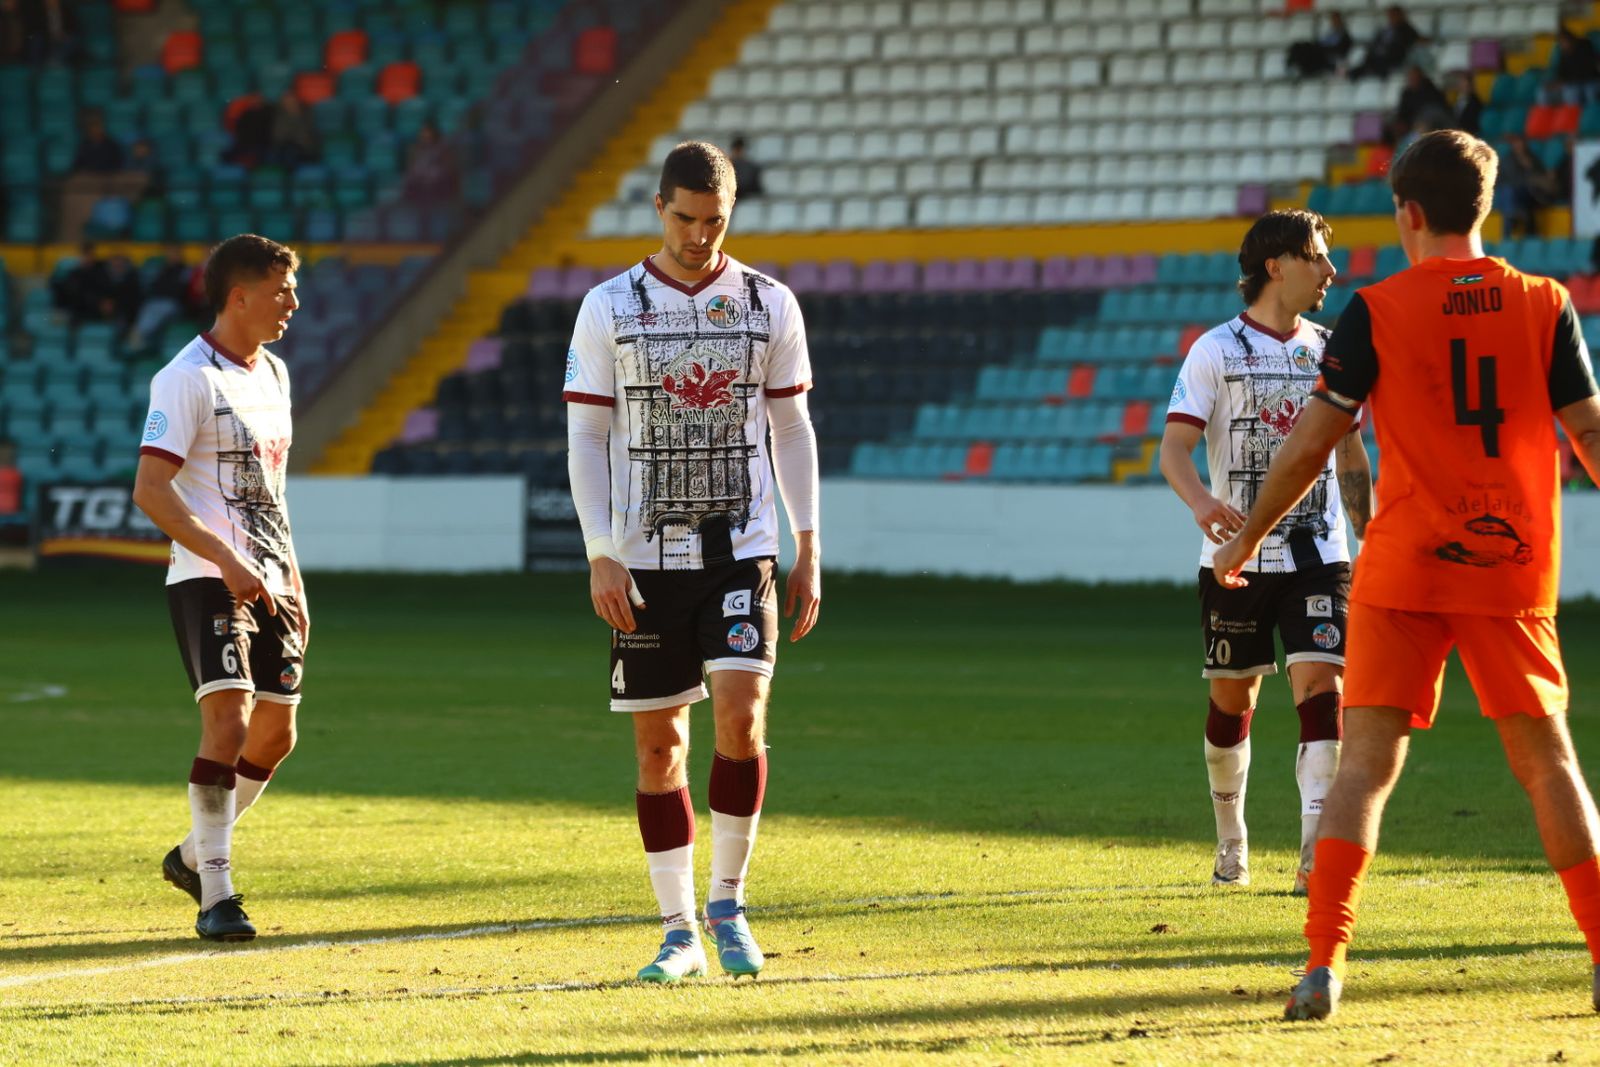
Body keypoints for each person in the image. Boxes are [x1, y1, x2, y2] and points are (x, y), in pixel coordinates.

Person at [1212, 129, 1600, 1020]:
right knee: (1548, 762)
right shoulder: (1544, 302)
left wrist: (1244, 540)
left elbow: (1312, 443)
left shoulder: (1377, 309)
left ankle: (1323, 962)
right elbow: (1588, 432)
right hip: (1510, 564)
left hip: (1405, 567)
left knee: (1364, 765)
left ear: (1409, 213)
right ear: (1484, 207)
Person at [564, 141, 820, 982]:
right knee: (658, 747)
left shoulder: (768, 301)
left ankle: (728, 904)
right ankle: (678, 932)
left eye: (715, 220)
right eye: (685, 218)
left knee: (742, 717)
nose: (700, 235)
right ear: (658, 209)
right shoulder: (608, 305)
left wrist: (808, 541)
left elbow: (791, 427)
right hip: (641, 559)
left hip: (741, 548)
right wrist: (600, 552)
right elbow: (586, 435)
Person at [1160, 210, 1372, 895]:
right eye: (1317, 257)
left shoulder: (1332, 350)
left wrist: (1368, 533)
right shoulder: (1214, 350)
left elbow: (1349, 452)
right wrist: (1202, 504)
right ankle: (1232, 840)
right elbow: (1173, 449)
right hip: (1235, 560)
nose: (1331, 271)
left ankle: (1313, 854)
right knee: (1231, 700)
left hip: (1319, 553)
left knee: (1323, 691)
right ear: (1276, 265)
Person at [131, 234, 308, 943]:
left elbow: (271, 493)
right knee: (228, 722)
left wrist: (292, 578)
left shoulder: (275, 374)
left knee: (277, 734)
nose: (293, 303)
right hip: (208, 575)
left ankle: (188, 855)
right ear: (239, 297)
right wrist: (225, 557)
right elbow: (152, 489)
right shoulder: (185, 378)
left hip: (274, 576)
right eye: (281, 291)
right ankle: (218, 893)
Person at [1350, 5, 1421, 80]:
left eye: (1394, 15)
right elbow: (1376, 42)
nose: (1391, 18)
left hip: (1393, 57)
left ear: (1400, 16)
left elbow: (1410, 42)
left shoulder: (1407, 30)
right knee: (1365, 61)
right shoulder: (1386, 30)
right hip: (1378, 56)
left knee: (1376, 62)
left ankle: (1371, 72)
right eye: (1390, 16)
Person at [1286, 11, 1353, 79]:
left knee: (1307, 52)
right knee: (1300, 47)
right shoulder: (1332, 32)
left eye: (1336, 20)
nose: (1333, 22)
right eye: (1333, 20)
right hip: (1321, 52)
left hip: (1326, 56)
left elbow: (1340, 50)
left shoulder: (1344, 35)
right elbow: (1322, 42)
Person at [1545, 26, 1600, 106]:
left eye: (1564, 41)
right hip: (1573, 82)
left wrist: (1566, 81)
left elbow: (1588, 69)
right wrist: (1558, 82)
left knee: (1587, 91)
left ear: (1570, 38)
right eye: (1560, 42)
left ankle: (1591, 110)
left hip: (1590, 80)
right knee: (1568, 91)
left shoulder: (1585, 45)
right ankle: (1575, 112)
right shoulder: (1564, 54)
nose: (1562, 44)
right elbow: (1562, 72)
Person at [71, 110, 123, 174]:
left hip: (109, 177)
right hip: (90, 178)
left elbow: (118, 167)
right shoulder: (83, 146)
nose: (94, 129)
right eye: (91, 126)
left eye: (97, 125)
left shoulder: (112, 145)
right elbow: (78, 167)